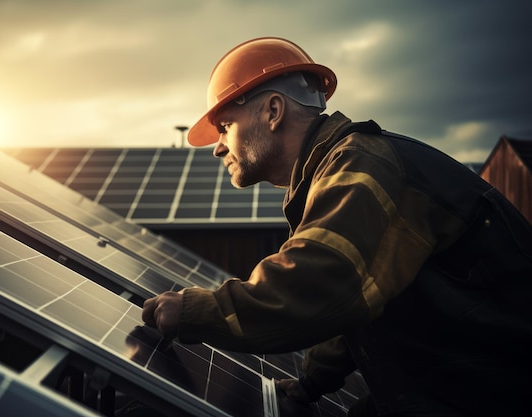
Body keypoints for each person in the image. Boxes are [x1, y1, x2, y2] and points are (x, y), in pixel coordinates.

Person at [141, 37, 532, 416]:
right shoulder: (335, 170)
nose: (218, 147)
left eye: (225, 126)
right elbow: (358, 304)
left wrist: (196, 311)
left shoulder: (361, 166)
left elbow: (322, 283)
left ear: (273, 111)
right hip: (453, 386)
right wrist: (309, 384)